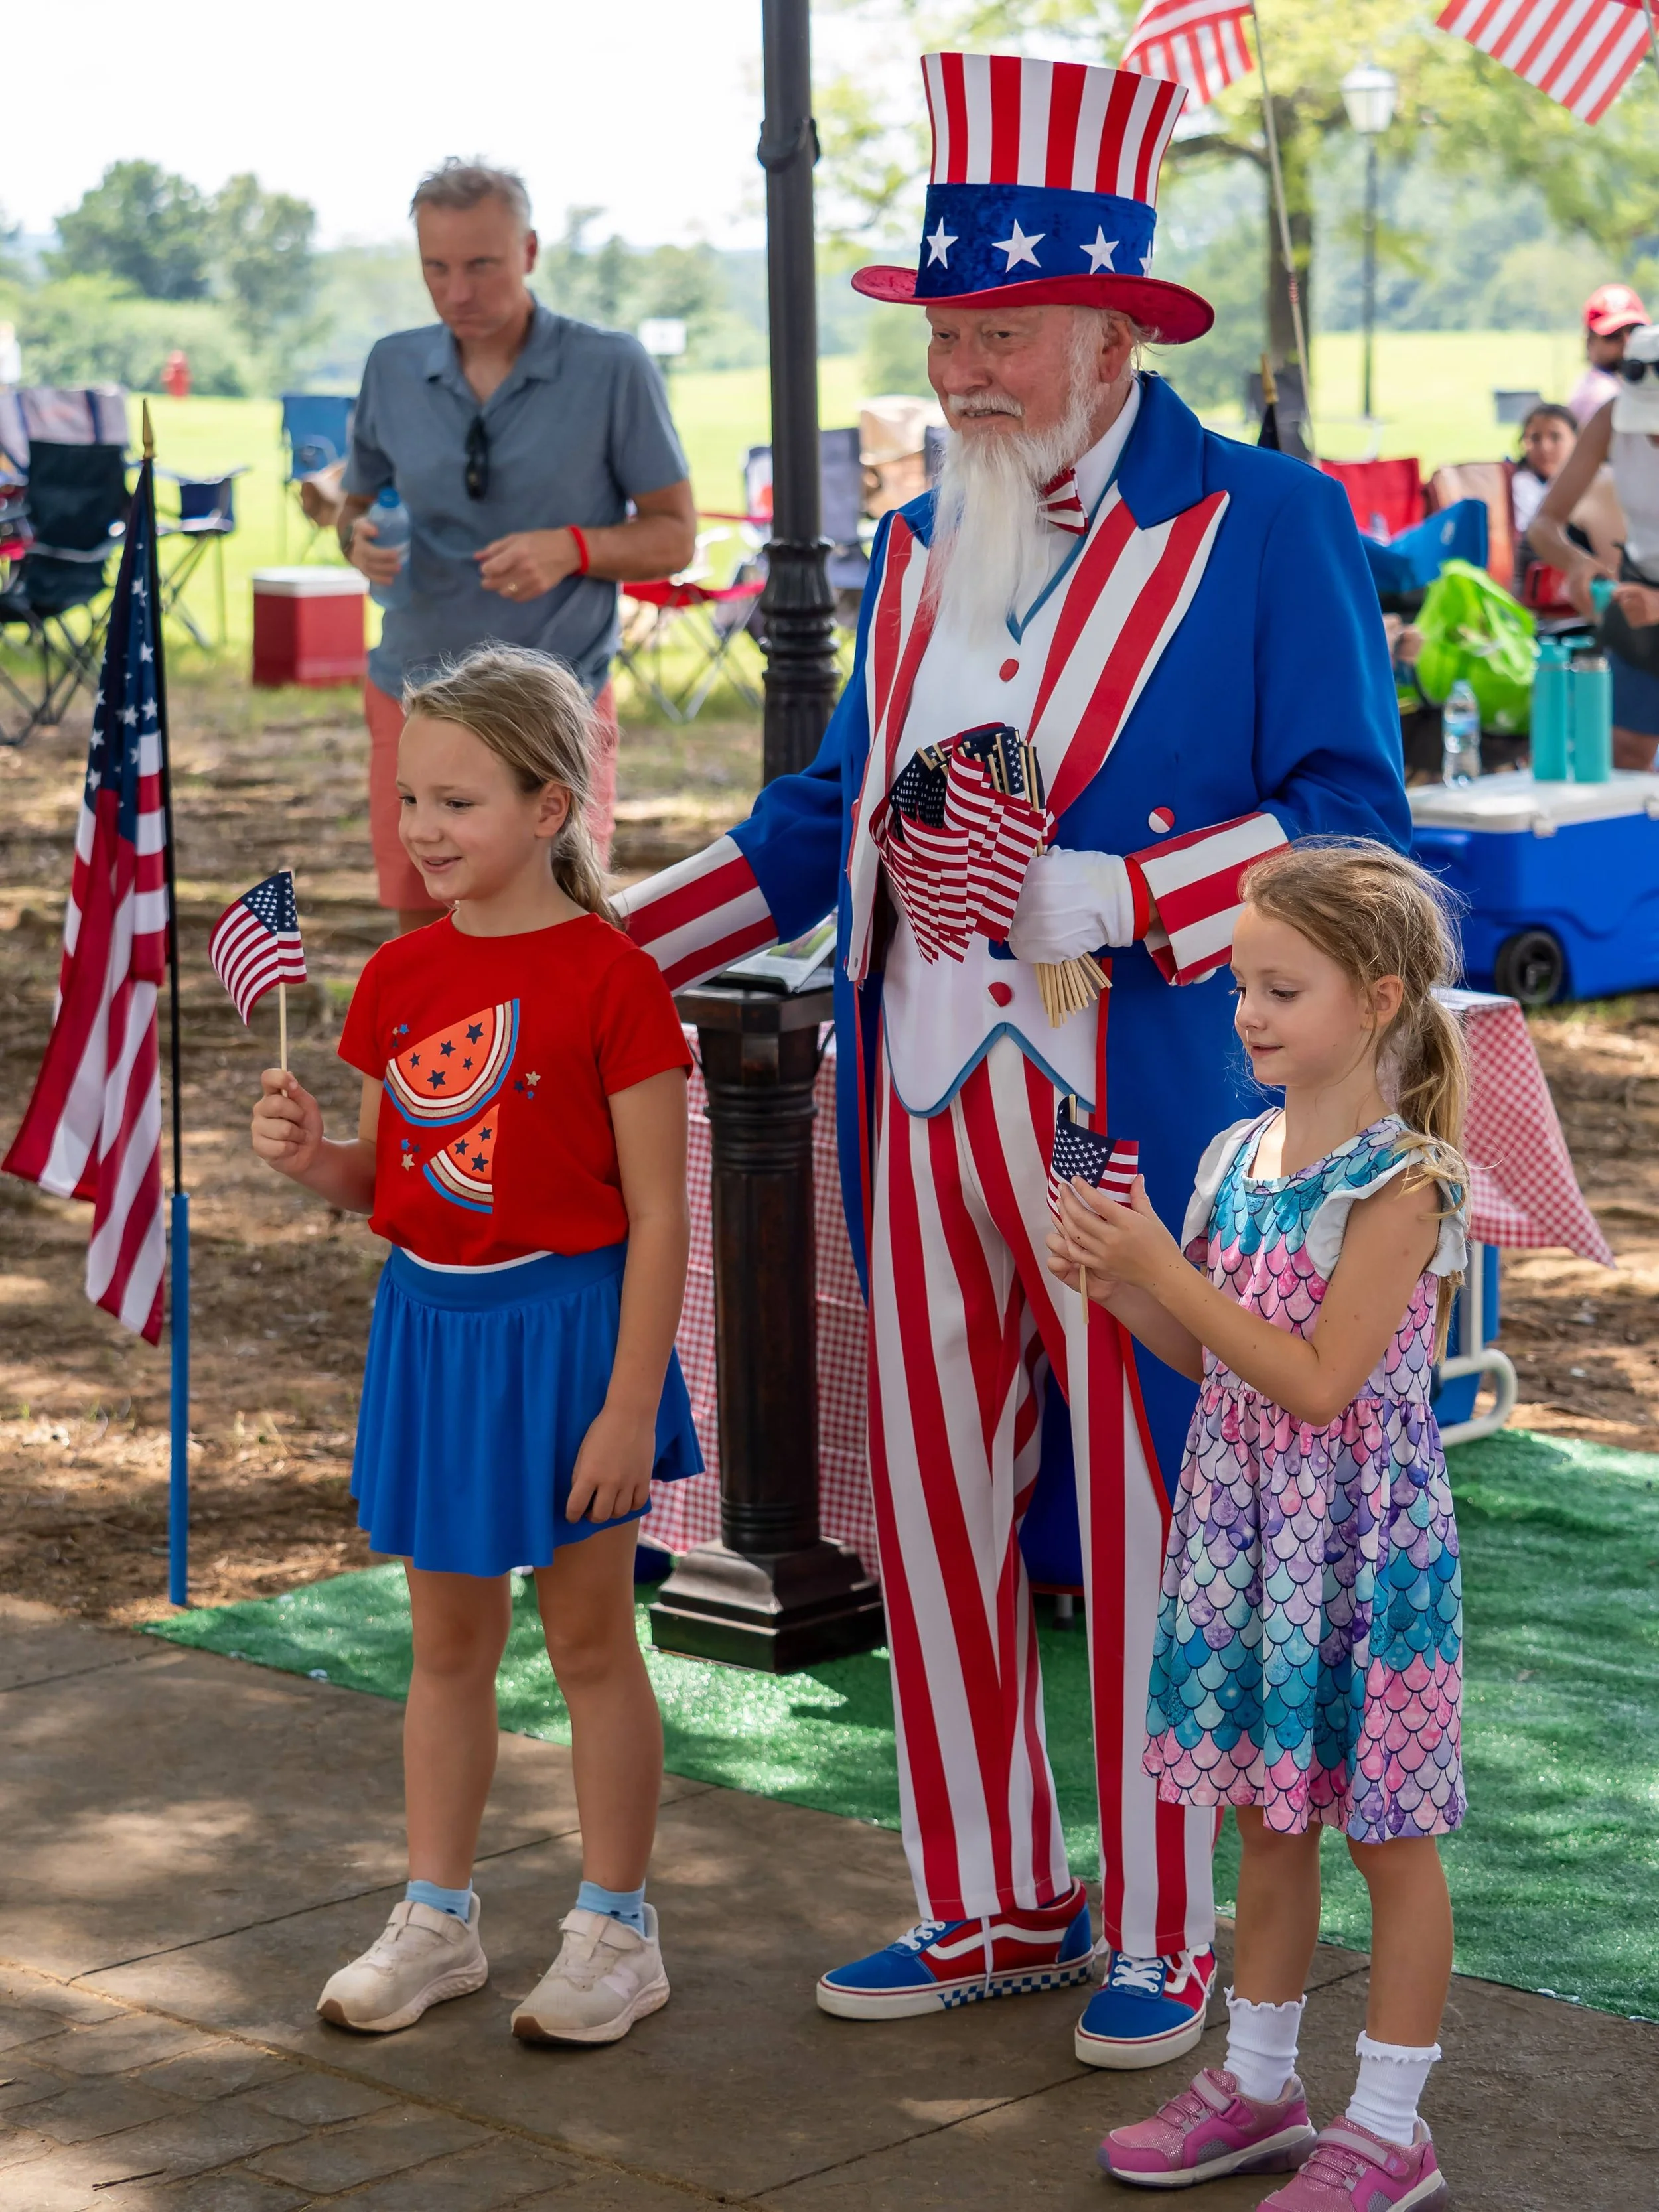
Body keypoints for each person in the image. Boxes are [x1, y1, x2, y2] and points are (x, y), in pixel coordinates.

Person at [617, 50, 1409, 2071]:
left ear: (1108, 324)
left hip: (1141, 1100)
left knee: (1154, 1507)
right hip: (910, 1089)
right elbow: (822, 815)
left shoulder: (1261, 524)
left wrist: (1122, 895)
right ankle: (987, 1900)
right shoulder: (901, 546)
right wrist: (601, 951)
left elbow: (1348, 823)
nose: (959, 366)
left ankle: (1163, 1926)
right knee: (939, 1513)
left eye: (994, 330)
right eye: (943, 330)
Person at [248, 644, 701, 2046]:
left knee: (586, 1638)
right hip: (433, 1332)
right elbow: (392, 1183)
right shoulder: (392, 978)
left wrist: (630, 1406)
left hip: (571, 1338)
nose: (424, 830)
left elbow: (660, 1218)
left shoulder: (616, 981)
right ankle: (436, 1914)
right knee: (444, 1644)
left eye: (457, 801)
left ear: (549, 804)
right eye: (406, 801)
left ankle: (617, 1927)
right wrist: (316, 1158)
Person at [1055, 841, 1466, 2209]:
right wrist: (1118, 1282)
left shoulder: (1403, 1182)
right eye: (1241, 983)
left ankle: (1390, 2122)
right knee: (1265, 1820)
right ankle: (1260, 2083)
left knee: (1384, 1837)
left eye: (1279, 987)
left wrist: (1161, 1264)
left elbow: (1313, 1376)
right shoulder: (1234, 1152)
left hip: (1360, 1560)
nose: (1245, 1011)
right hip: (1246, 1543)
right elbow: (1209, 1350)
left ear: (1377, 996)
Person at [338, 161, 697, 931]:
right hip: (413, 697)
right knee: (429, 938)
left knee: (559, 935)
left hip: (550, 708)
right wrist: (355, 540)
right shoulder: (391, 365)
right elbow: (356, 506)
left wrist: (572, 547)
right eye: (435, 267)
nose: (457, 291)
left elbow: (675, 535)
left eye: (481, 265)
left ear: (529, 251)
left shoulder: (610, 367)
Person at [1530, 320, 1659, 769]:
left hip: (1651, 601)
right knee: (1624, 751)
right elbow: (1543, 524)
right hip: (1638, 589)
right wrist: (1578, 564)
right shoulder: (1610, 420)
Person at [1566, 282, 1646, 427]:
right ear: (1590, 343)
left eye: (1635, 331)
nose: (1627, 342)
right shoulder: (1597, 395)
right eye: (1614, 335)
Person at [1510, 401, 1576, 540]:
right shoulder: (1522, 485)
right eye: (1535, 438)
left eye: (1555, 437)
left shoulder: (1598, 483)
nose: (1545, 447)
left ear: (1577, 440)